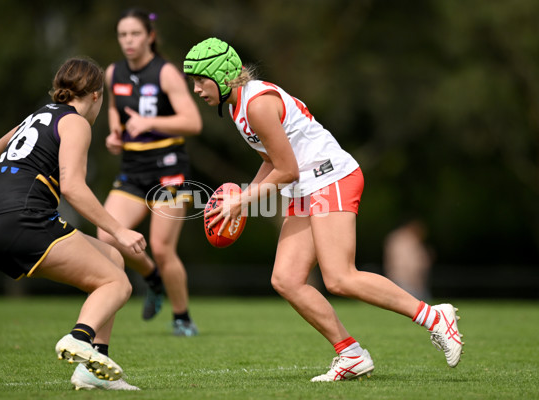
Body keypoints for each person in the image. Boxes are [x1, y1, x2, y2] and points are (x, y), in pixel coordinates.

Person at [184, 37, 464, 381]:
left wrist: (244, 199)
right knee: (286, 280)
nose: (196, 89)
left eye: (200, 80)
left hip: (332, 178)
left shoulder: (256, 105)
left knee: (340, 277)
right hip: (307, 185)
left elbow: (286, 170)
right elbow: (272, 161)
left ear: (222, 76)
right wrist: (246, 195)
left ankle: (435, 317)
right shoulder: (235, 108)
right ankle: (350, 354)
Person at [0, 57, 142, 391]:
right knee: (119, 285)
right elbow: (73, 188)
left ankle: (93, 369)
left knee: (112, 260)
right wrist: (119, 229)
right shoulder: (76, 123)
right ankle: (79, 338)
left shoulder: (40, 114)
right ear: (96, 96)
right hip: (25, 219)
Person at [97, 8, 202, 336]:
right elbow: (115, 108)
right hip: (132, 169)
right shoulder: (113, 72)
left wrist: (150, 123)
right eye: (123, 35)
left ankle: (182, 317)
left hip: (169, 170)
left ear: (150, 37)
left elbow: (193, 122)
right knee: (107, 236)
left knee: (161, 247)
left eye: (135, 34)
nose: (128, 41)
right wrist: (115, 133)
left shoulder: (167, 72)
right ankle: (153, 279)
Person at [384, 218, 433, 301]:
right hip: (407, 282)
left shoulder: (397, 238)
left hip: (402, 280)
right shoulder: (407, 240)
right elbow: (410, 264)